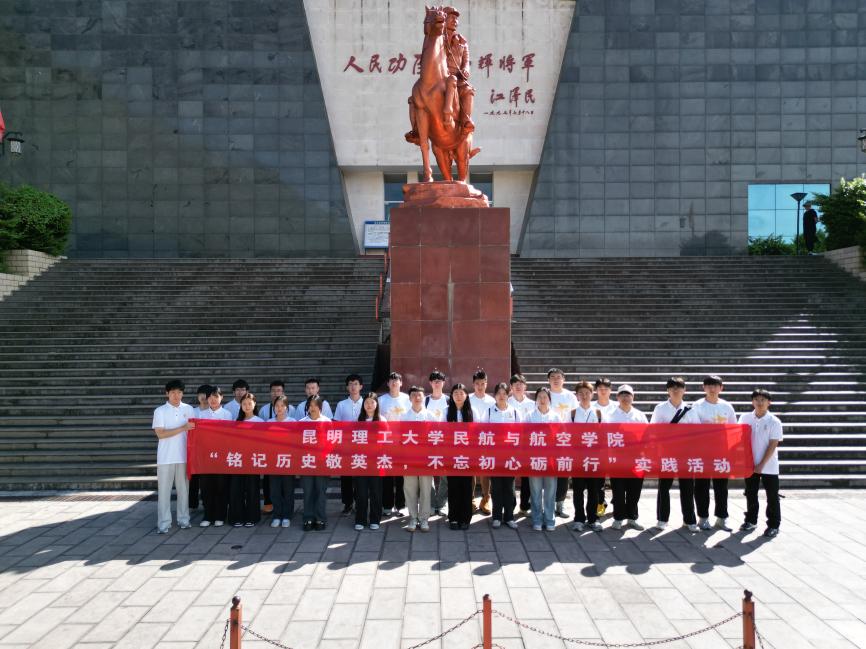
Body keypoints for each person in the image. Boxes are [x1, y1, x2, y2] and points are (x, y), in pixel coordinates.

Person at [650, 377, 700, 532]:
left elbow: (697, 431)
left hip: (686, 453)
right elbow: (653, 430)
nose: (676, 390)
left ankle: (690, 520)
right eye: (672, 387)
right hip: (667, 453)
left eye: (679, 387)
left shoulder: (691, 410)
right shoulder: (660, 408)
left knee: (687, 487)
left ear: (684, 390)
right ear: (668, 390)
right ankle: (662, 519)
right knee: (664, 487)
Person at [693, 375, 737, 532]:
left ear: (721, 388)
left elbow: (733, 429)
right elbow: (693, 428)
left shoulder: (727, 406)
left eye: (715, 385)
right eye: (709, 385)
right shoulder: (697, 406)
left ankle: (722, 518)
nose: (712, 389)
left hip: (721, 452)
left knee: (721, 486)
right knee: (701, 486)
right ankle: (703, 518)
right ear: (703, 388)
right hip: (702, 451)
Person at [152, 379, 195, 534]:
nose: (176, 395)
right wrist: (183, 428)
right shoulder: (160, 411)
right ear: (167, 394)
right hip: (166, 458)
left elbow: (194, 432)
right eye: (173, 392)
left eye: (179, 392)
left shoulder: (189, 409)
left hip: (184, 457)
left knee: (184, 491)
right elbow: (160, 434)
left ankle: (184, 520)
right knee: (164, 492)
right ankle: (164, 523)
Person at [739, 389, 783, 538]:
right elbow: (739, 438)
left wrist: (761, 465)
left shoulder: (774, 421)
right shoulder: (745, 418)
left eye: (763, 400)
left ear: (769, 402)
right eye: (756, 400)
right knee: (750, 493)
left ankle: (773, 525)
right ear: (752, 402)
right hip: (749, 464)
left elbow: (773, 444)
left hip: (769, 465)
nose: (759, 403)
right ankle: (751, 520)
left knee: (772, 496)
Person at [608, 385, 648, 531]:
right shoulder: (610, 415)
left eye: (628, 395)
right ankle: (618, 518)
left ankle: (632, 517)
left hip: (637, 459)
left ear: (633, 397)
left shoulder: (640, 415)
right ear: (617, 397)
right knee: (618, 490)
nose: (625, 398)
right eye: (622, 395)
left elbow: (647, 435)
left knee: (635, 490)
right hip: (617, 459)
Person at [485, 382, 521, 529]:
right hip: (494, 456)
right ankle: (496, 517)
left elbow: (520, 433)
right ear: (495, 395)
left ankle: (509, 517)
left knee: (509, 487)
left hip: (510, 456)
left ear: (508, 395)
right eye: (499, 393)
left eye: (504, 393)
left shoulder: (515, 412)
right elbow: (483, 432)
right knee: (496, 487)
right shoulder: (489, 412)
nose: (501, 396)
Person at [196, 386, 233, 527]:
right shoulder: (201, 415)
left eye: (216, 397)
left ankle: (220, 515)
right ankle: (208, 515)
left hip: (222, 456)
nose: (213, 400)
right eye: (210, 397)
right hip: (206, 456)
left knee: (221, 486)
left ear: (221, 398)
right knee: (206, 487)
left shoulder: (227, 414)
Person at [569, 381, 603, 532]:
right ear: (576, 395)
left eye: (587, 393)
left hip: (594, 457)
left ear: (592, 394)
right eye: (581, 393)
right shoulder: (572, 413)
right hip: (577, 457)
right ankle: (578, 518)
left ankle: (593, 519)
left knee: (594, 489)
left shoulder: (599, 413)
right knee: (578, 490)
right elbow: (566, 434)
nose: (584, 396)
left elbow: (604, 434)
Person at [402, 386, 437, 532]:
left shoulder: (430, 416)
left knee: (426, 489)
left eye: (419, 395)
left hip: (426, 459)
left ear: (424, 397)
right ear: (410, 398)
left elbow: (436, 438)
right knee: (409, 488)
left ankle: (424, 518)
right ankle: (412, 517)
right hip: (409, 458)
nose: (417, 398)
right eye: (414, 395)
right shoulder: (404, 417)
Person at [446, 383, 478, 530]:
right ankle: (453, 517)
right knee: (453, 486)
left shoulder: (473, 412)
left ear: (466, 395)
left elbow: (479, 433)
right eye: (455, 393)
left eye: (461, 393)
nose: (458, 396)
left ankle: (465, 518)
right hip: (451, 455)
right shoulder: (446, 411)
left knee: (466, 486)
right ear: (451, 396)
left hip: (468, 455)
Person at [228, 393, 263, 527]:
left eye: (249, 403)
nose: (247, 406)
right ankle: (237, 517)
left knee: (252, 489)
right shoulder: (236, 422)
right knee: (236, 489)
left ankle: (252, 517)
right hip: (238, 459)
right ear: (240, 406)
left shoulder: (260, 422)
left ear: (254, 404)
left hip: (253, 460)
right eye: (244, 404)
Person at [378, 371, 411, 516]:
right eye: (391, 381)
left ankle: (401, 505)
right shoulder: (381, 400)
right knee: (386, 474)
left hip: (403, 442)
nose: (394, 383)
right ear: (388, 383)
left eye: (396, 380)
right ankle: (387, 505)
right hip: (386, 442)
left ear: (401, 383)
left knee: (401, 475)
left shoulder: (407, 399)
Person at [547, 368, 578, 518]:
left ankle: (561, 503)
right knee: (549, 472)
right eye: (552, 377)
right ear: (548, 380)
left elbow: (576, 415)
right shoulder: (545, 394)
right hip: (549, 440)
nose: (556, 380)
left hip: (566, 439)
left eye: (558, 377)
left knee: (563, 471)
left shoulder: (570, 396)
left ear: (563, 379)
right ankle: (549, 503)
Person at [333, 373, 365, 515]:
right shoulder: (341, 404)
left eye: (356, 384)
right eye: (350, 384)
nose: (353, 387)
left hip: (362, 445)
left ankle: (360, 503)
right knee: (346, 476)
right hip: (346, 446)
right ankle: (347, 504)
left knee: (360, 476)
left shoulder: (367, 403)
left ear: (361, 386)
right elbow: (336, 424)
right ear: (347, 387)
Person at [528, 387, 559, 531]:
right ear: (536, 399)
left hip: (551, 459)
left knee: (550, 491)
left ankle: (549, 519)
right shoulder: (529, 416)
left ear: (549, 399)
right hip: (534, 458)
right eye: (539, 397)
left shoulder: (556, 416)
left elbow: (561, 437)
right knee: (535, 491)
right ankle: (537, 519)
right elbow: (524, 436)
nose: (542, 399)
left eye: (545, 397)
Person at [299, 395, 331, 531]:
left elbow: (332, 443)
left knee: (320, 490)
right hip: (306, 461)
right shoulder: (302, 422)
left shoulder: (327, 422)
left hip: (322, 462)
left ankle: (320, 518)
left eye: (315, 405)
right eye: (310, 405)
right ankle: (308, 518)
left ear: (320, 407)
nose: (312, 408)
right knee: (308, 490)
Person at [355, 392, 385, 531]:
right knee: (361, 492)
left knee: (376, 492)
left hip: (376, 462)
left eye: (372, 402)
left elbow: (386, 441)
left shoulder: (382, 420)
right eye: (366, 402)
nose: (369, 405)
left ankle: (375, 519)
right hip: (361, 461)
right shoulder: (359, 420)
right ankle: (360, 519)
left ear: (376, 404)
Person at [508, 374, 536, 515]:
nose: (518, 387)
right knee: (510, 474)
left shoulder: (532, 404)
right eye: (515, 384)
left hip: (528, 444)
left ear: (525, 386)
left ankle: (525, 505)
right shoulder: (506, 402)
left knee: (527, 475)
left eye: (521, 384)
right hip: (510, 444)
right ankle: (510, 505)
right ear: (511, 387)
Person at [267, 395, 296, 528]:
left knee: (288, 489)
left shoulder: (293, 422)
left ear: (287, 407)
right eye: (277, 406)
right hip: (273, 461)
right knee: (275, 490)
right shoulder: (269, 422)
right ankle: (277, 515)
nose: (279, 408)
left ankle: (287, 515)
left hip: (288, 461)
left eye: (282, 406)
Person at [469, 369, 495, 515]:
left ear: (486, 384)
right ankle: (471, 499)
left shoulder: (491, 401)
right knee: (471, 470)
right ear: (473, 384)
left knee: (485, 470)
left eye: (483, 383)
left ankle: (486, 498)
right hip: (470, 440)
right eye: (477, 383)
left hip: (487, 440)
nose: (480, 386)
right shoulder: (468, 399)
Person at [258, 380, 286, 516]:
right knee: (268, 478)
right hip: (269, 449)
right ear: (270, 393)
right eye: (273, 391)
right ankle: (268, 503)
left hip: (285, 449)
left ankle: (284, 504)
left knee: (285, 479)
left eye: (279, 390)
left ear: (283, 392)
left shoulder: (291, 409)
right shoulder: (264, 409)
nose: (276, 393)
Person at [591, 377, 617, 517]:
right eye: (600, 389)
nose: (603, 391)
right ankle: (600, 502)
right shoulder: (591, 406)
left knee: (616, 477)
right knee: (598, 478)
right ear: (596, 390)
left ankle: (617, 502)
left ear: (610, 390)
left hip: (615, 446)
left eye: (606, 389)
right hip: (597, 447)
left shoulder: (617, 406)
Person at [426, 370, 450, 515]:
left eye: (439, 380)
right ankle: (430, 503)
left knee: (445, 474)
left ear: (443, 383)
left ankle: (441, 504)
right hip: (428, 442)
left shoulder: (449, 400)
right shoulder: (425, 400)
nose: (436, 383)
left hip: (445, 443)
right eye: (434, 380)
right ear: (430, 383)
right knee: (427, 474)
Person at [188, 384, 211, 512]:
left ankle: (207, 504)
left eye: (206, 395)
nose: (203, 397)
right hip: (194, 450)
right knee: (193, 479)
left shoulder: (213, 412)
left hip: (208, 451)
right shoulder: (192, 411)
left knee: (206, 480)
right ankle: (192, 504)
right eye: (201, 394)